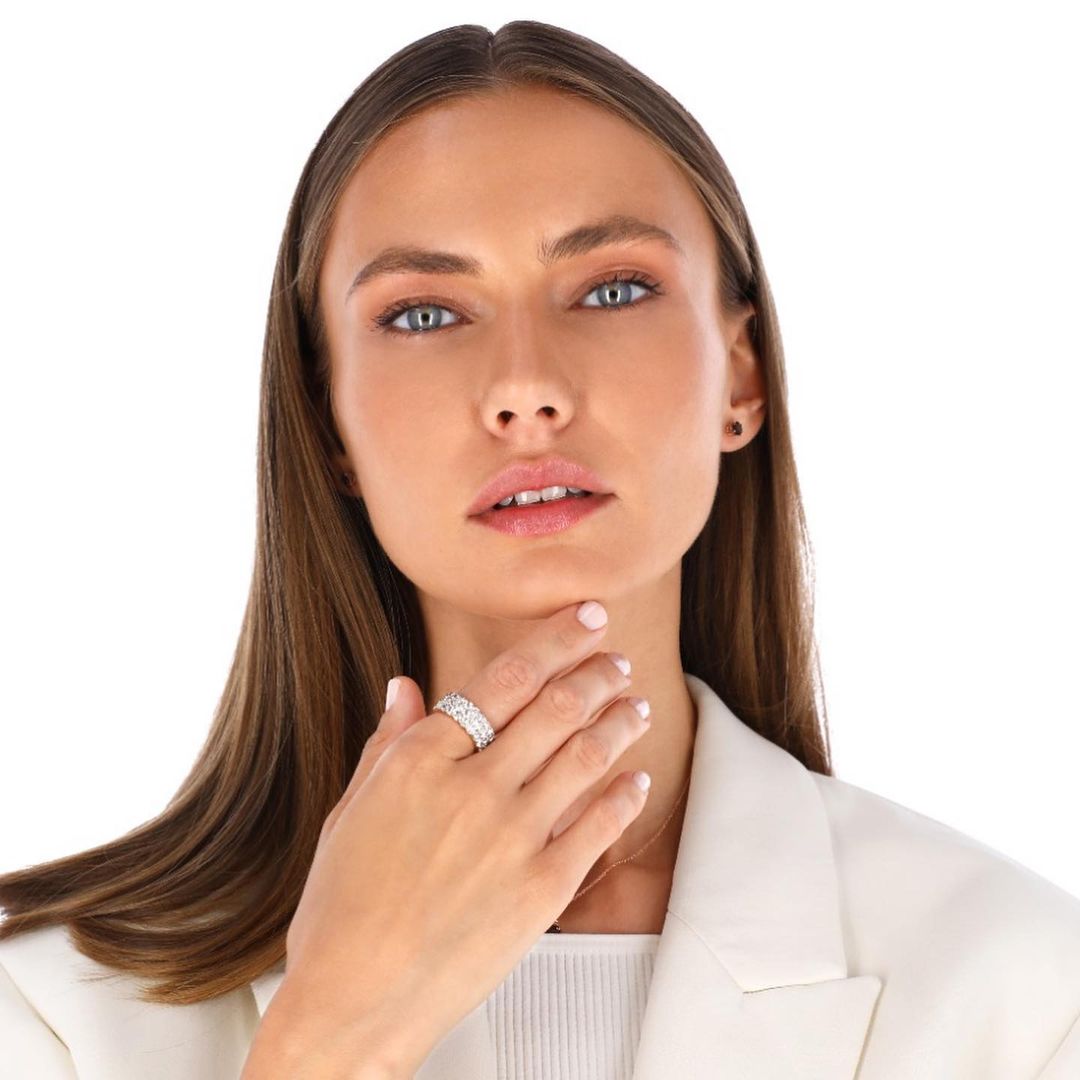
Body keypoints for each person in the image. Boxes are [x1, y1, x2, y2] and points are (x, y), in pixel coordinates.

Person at [1, 19, 1078, 1080]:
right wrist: (334, 1034)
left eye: (612, 290)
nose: (525, 388)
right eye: (424, 314)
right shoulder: (47, 1006)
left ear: (741, 377)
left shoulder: (1026, 993)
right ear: (329, 421)